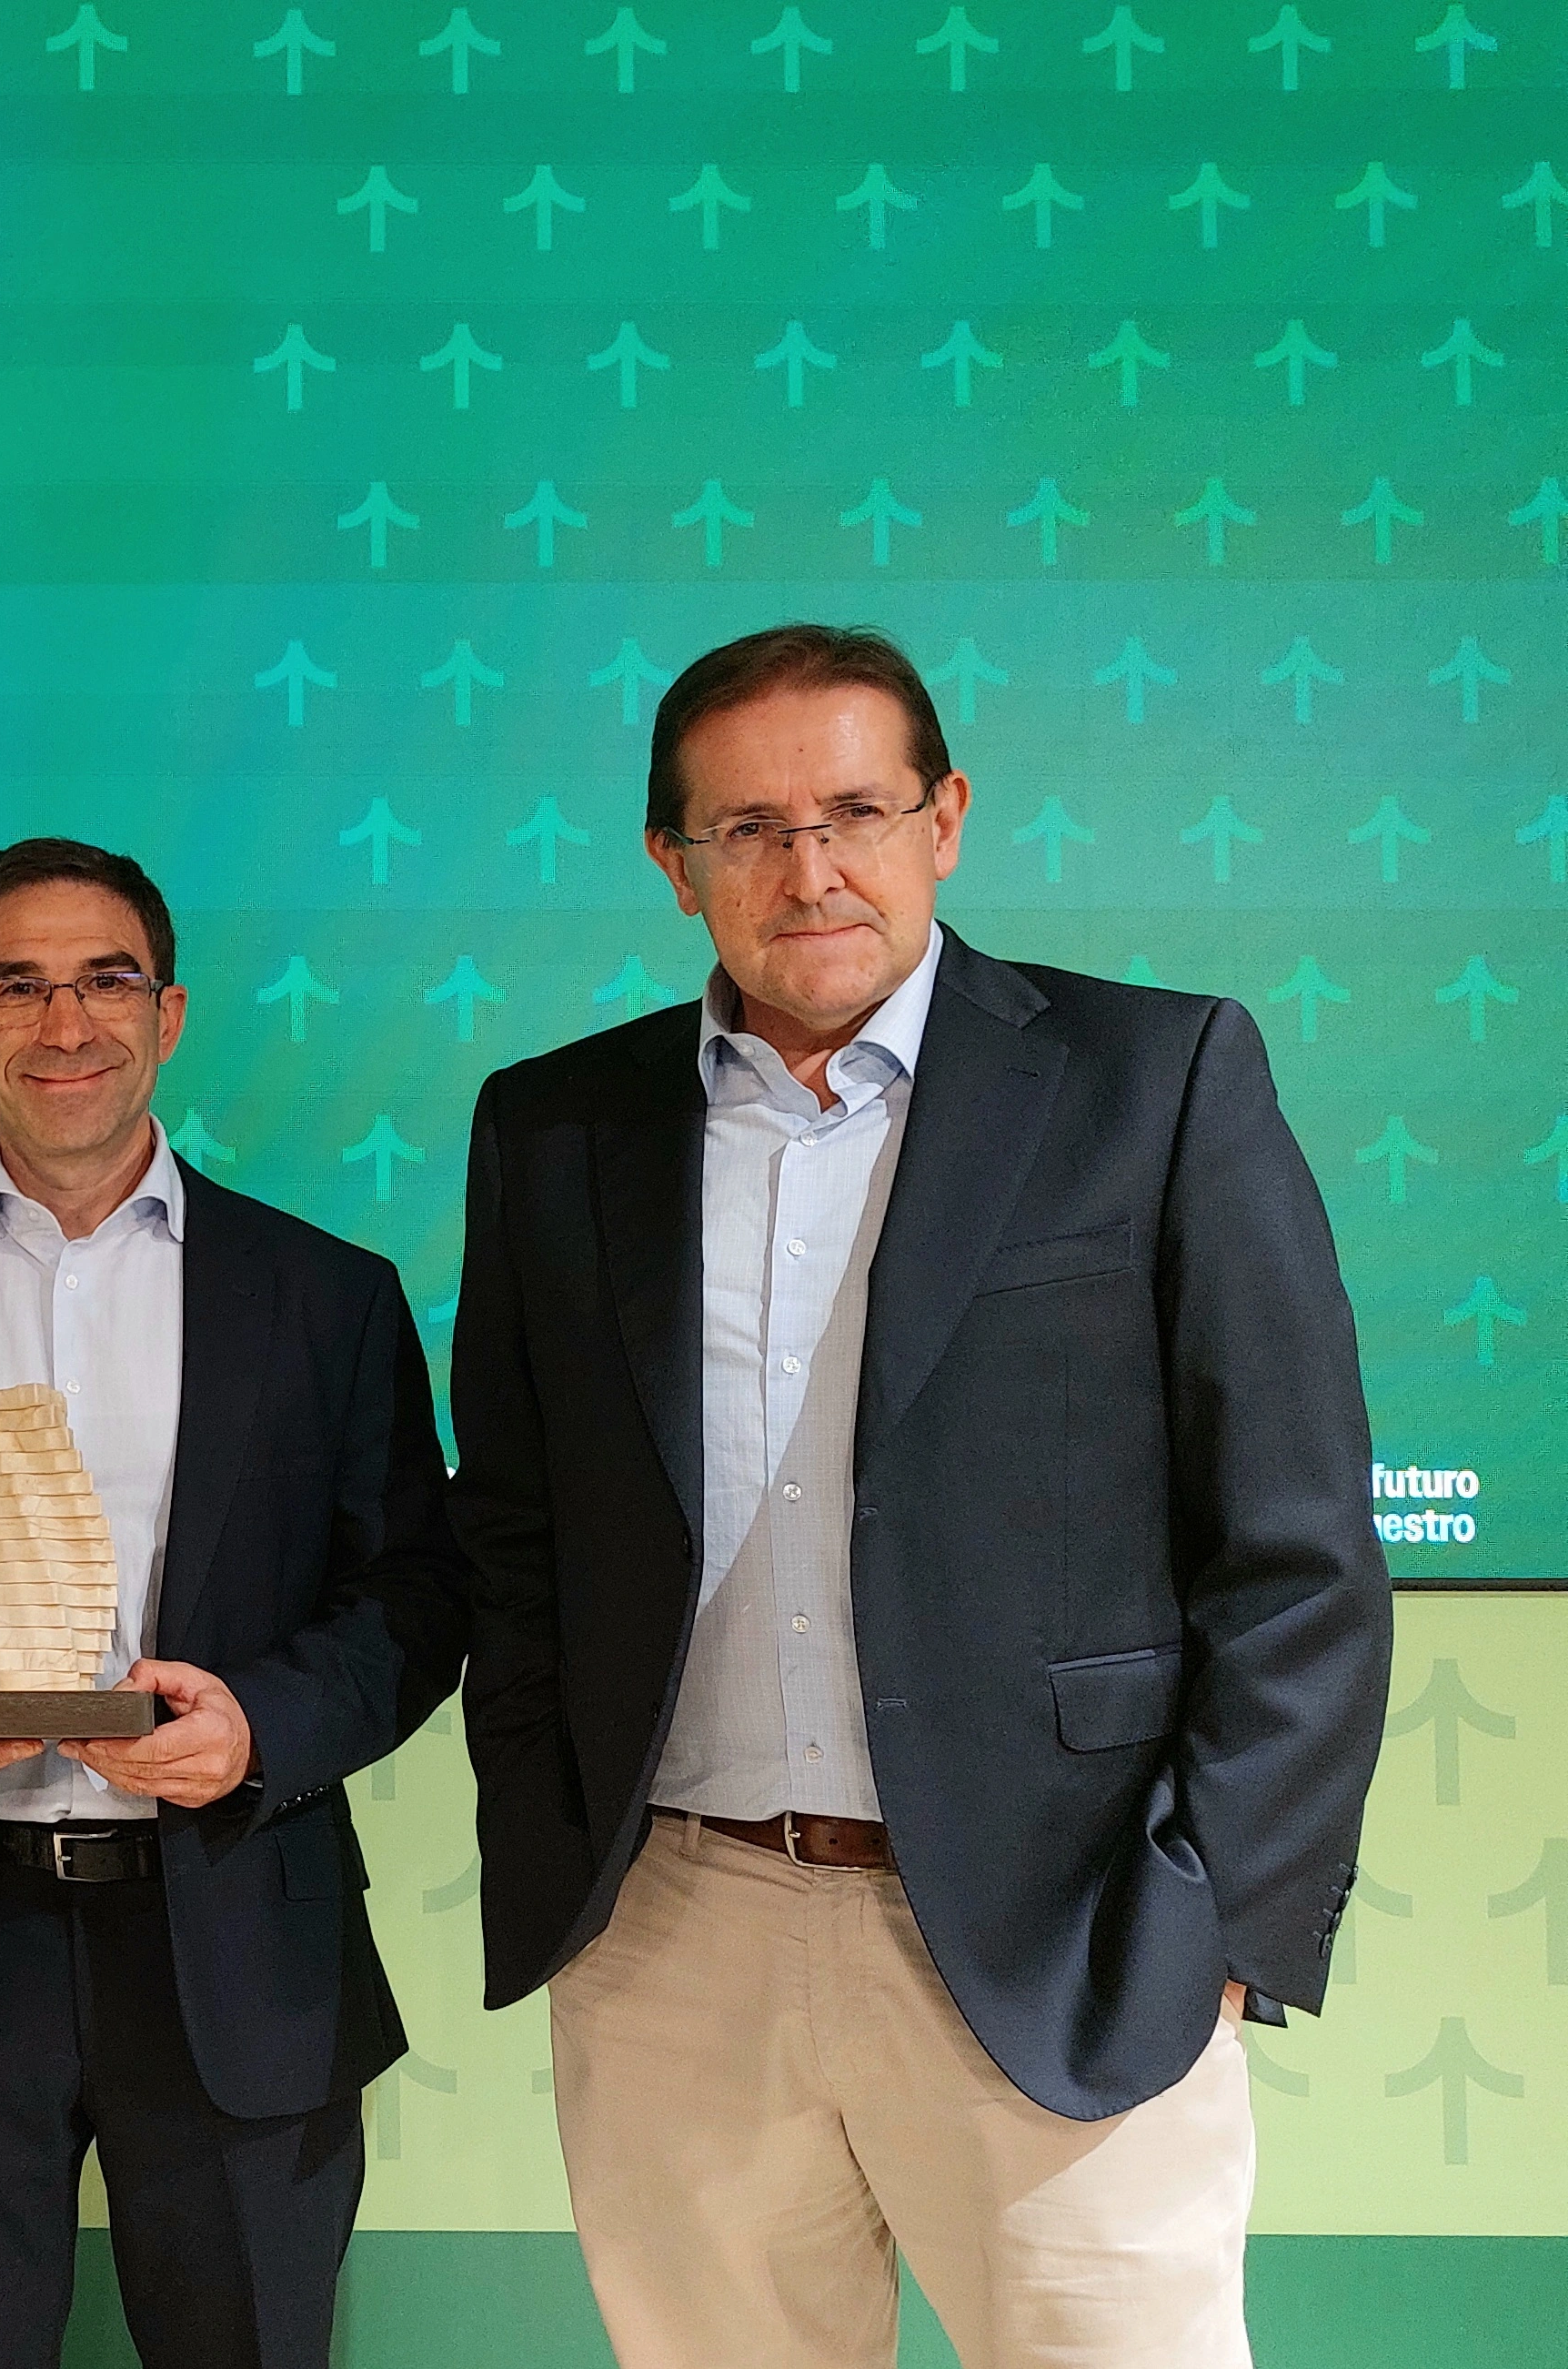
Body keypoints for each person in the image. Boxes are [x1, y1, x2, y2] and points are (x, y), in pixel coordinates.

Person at [450, 622, 1393, 2368]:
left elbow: (1300, 1549)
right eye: (747, 829)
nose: (808, 870)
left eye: (856, 811)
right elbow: (513, 1535)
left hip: (1068, 1938)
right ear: (674, 864)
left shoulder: (1155, 1079)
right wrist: (566, 1855)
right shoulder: (554, 1129)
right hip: (676, 1942)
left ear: (944, 819)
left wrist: (1217, 1915)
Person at [0, 838, 471, 2369]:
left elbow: (420, 1593)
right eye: (16, 989)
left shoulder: (329, 1296)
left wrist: (264, 1729)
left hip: (241, 1937)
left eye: (105, 982)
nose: (65, 1024)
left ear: (169, 1015)